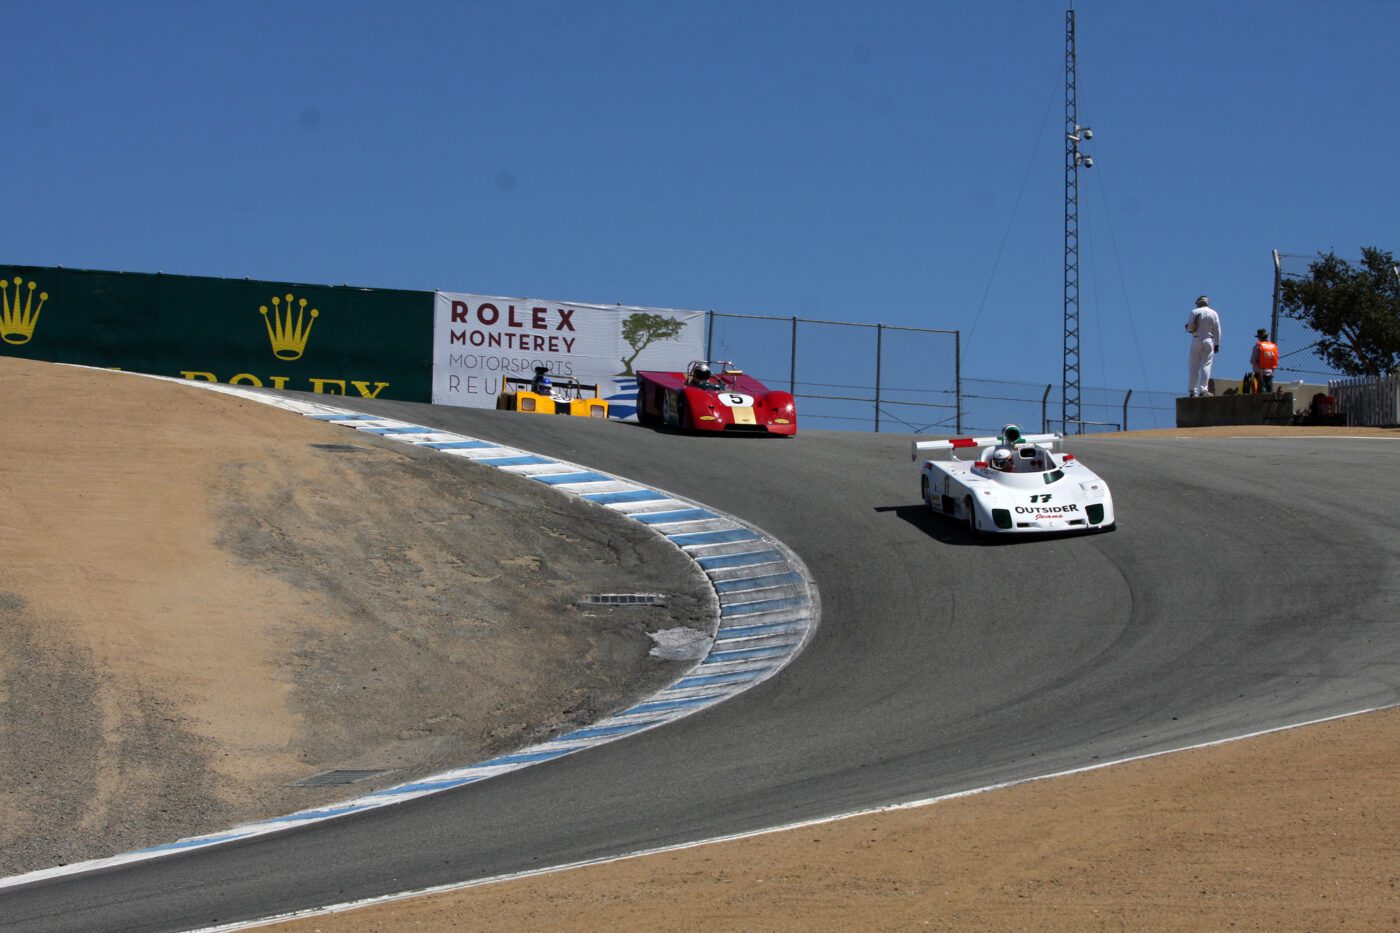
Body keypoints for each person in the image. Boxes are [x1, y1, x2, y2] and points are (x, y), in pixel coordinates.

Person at [1185, 295, 1222, 397]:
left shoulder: (1194, 312)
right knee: (1206, 366)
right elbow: (1217, 330)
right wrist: (1217, 343)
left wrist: (1187, 328)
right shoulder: (1214, 313)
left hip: (1196, 339)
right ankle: (1204, 390)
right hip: (1208, 340)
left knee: (1194, 366)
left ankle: (1192, 391)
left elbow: (1189, 328)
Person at [1250, 328, 1278, 393]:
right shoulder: (1273, 346)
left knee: (1259, 395)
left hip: (1259, 374)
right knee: (1269, 394)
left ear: (1259, 337)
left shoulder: (1258, 346)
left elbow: (1252, 361)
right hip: (1270, 374)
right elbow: (1275, 360)